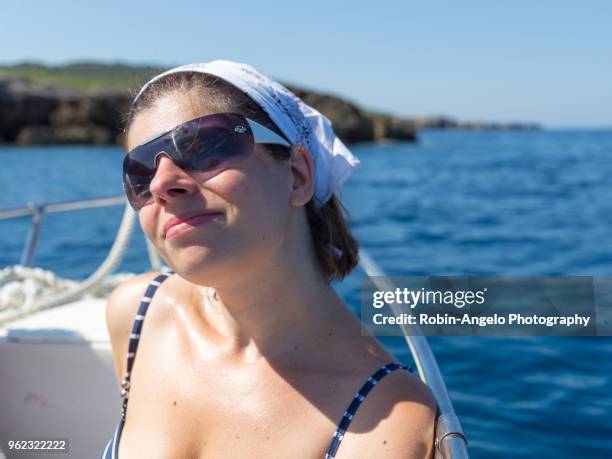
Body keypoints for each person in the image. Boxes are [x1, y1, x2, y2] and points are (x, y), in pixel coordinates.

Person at [103, 60, 436, 459]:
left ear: (296, 174)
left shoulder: (389, 422)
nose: (160, 184)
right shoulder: (138, 314)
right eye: (140, 174)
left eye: (203, 149)